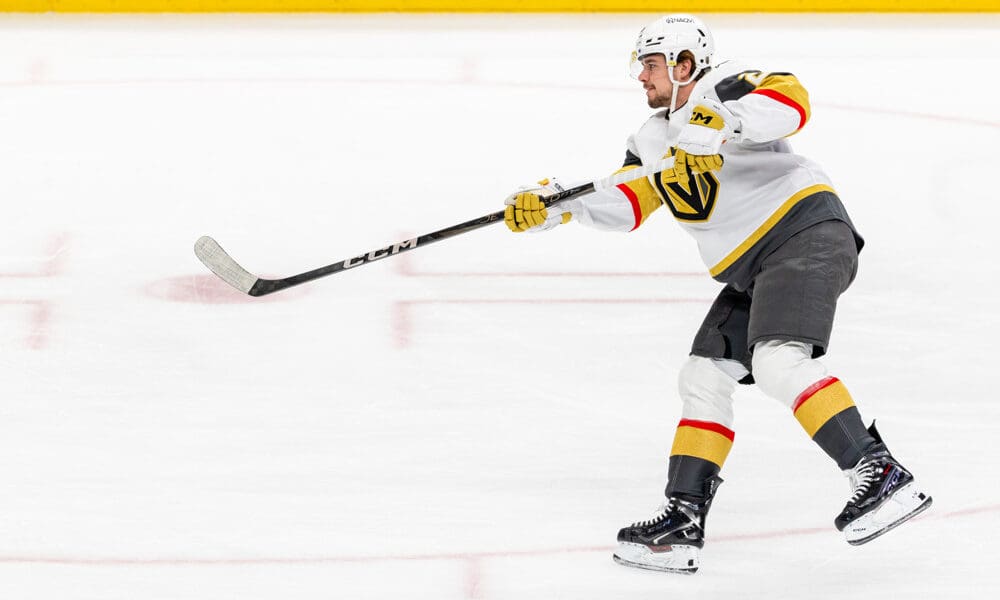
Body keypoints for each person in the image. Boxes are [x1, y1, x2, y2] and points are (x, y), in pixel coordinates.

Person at [502, 14, 931, 574]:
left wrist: (720, 123)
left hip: (803, 231)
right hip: (755, 265)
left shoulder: (723, 86)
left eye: (651, 65)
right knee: (703, 376)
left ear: (684, 64)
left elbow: (791, 98)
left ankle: (880, 472)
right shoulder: (653, 139)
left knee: (778, 361)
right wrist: (558, 207)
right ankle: (682, 521)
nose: (642, 78)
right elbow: (629, 201)